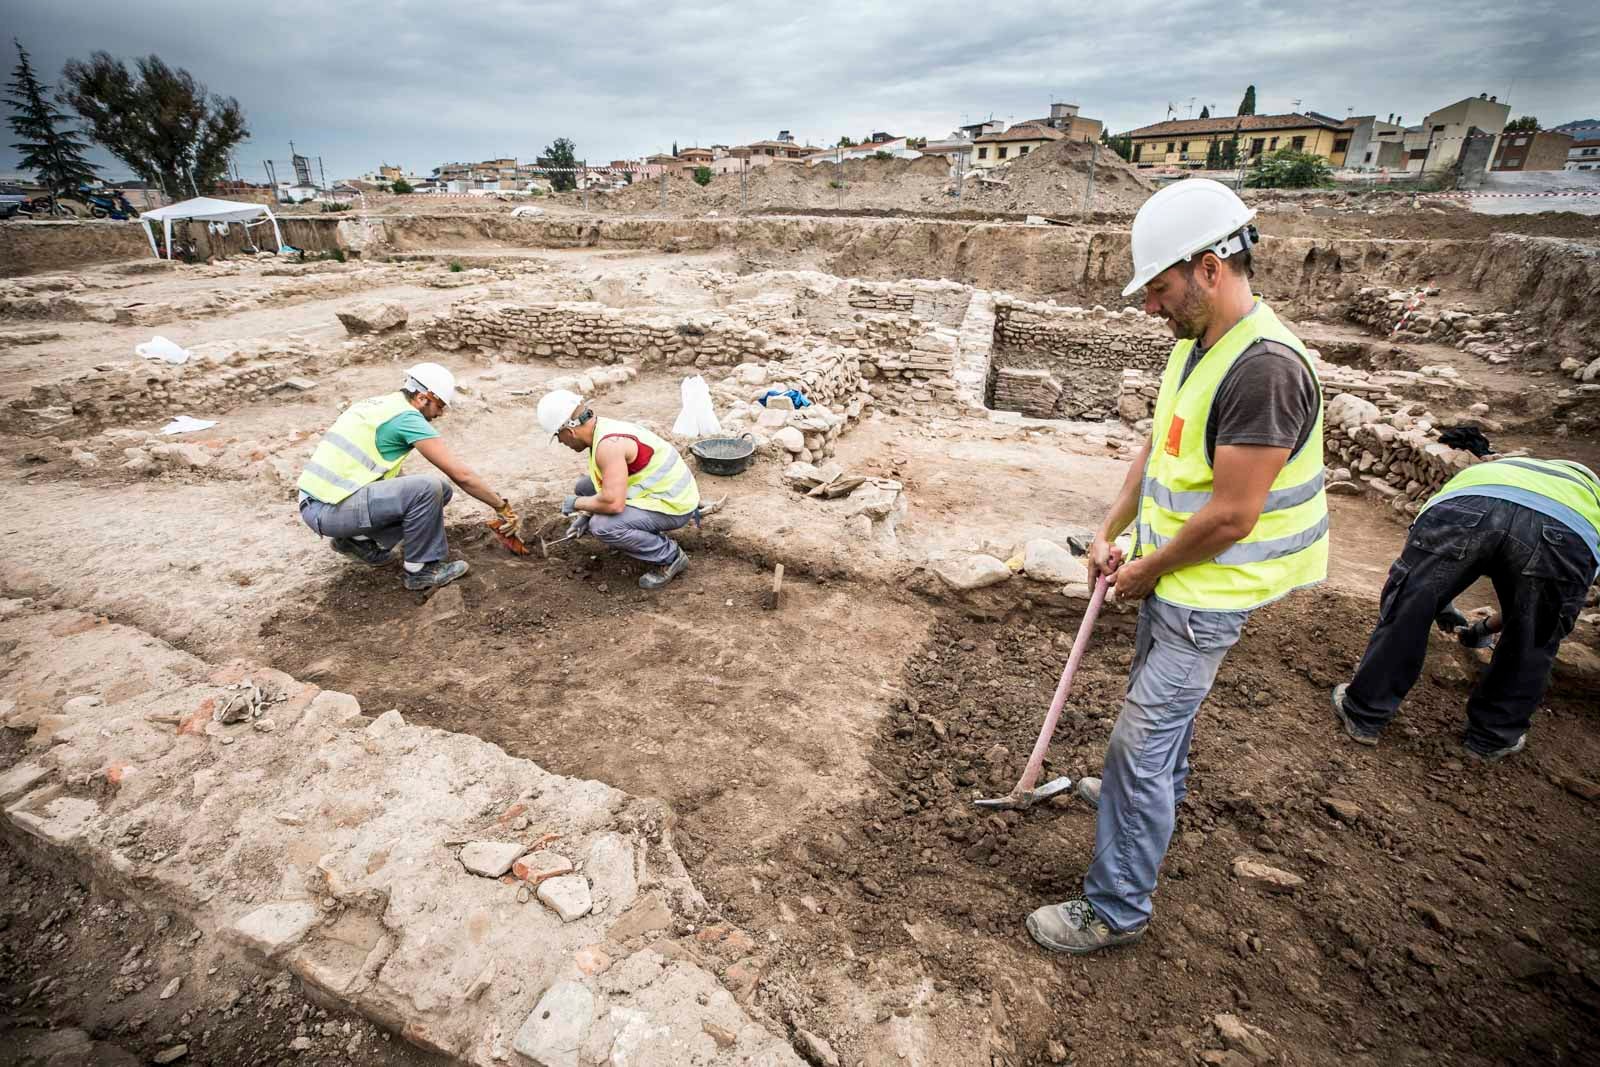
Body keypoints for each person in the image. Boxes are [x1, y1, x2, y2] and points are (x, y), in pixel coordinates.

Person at [1025, 178, 1328, 956]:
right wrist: (1109, 530)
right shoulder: (1200, 349)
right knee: (1154, 737)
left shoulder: (1264, 369)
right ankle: (1152, 796)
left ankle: (1116, 906)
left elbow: (1233, 513)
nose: (1150, 307)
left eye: (1159, 288)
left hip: (1207, 594)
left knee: (1136, 744)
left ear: (1211, 266)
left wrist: (1149, 569)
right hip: (1175, 582)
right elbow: (1159, 449)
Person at [1332, 457, 1599, 760]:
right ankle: (1491, 738)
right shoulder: (1591, 503)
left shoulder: (1496, 469)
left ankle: (1364, 715)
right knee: (1536, 636)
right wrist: (1482, 626)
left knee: (1408, 607)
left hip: (1469, 505)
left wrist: (1442, 604)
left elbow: (1423, 574)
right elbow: (1534, 612)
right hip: (1566, 531)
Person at [297, 362, 518, 591]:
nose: (440, 413)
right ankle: (420, 570)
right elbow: (462, 475)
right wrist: (501, 506)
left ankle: (355, 541)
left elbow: (385, 475)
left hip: (322, 502)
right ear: (423, 398)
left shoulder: (382, 404)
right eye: (439, 405)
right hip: (328, 509)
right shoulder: (408, 418)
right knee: (427, 488)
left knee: (440, 489)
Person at [537, 389, 700, 590]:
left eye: (558, 436)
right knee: (584, 487)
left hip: (674, 504)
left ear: (569, 431)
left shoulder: (608, 446)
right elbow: (602, 487)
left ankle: (670, 557)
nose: (561, 442)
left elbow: (613, 503)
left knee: (603, 526)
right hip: (660, 491)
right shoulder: (601, 428)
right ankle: (638, 529)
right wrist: (585, 516)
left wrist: (575, 504)